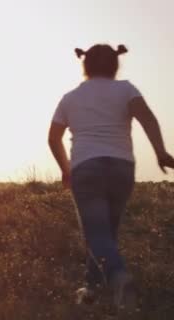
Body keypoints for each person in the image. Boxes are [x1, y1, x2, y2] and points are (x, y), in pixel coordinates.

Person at [48, 44, 174, 310]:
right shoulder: (126, 89)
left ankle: (119, 277)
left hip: (87, 169)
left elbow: (53, 137)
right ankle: (90, 289)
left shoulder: (70, 98)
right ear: (115, 64)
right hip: (121, 168)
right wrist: (161, 152)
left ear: (86, 65)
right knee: (105, 234)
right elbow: (148, 119)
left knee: (97, 234)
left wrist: (66, 168)